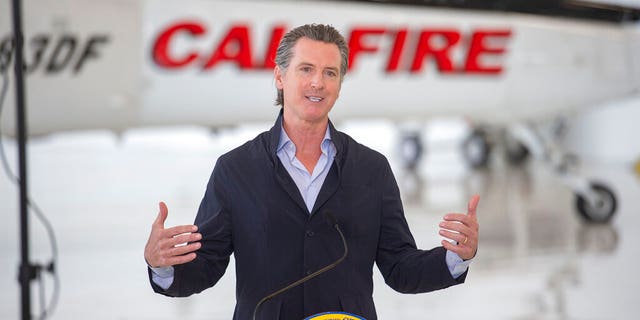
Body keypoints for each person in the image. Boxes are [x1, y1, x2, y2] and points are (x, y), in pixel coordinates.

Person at [144, 24, 479, 320]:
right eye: (306, 69)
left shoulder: (371, 170)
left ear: (340, 83)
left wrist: (455, 258)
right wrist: (162, 266)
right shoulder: (235, 170)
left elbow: (399, 267)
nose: (318, 83)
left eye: (330, 73)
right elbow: (206, 266)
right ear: (279, 76)